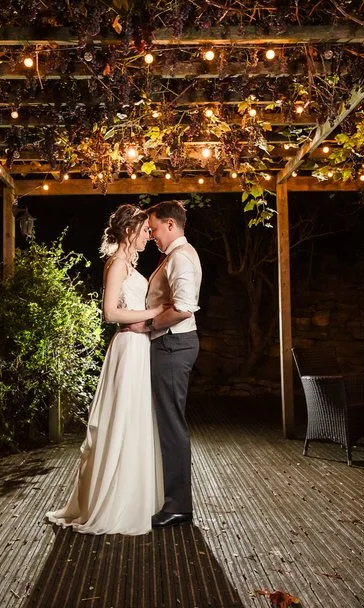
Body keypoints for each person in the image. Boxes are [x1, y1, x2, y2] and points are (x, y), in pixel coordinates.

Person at [46, 205, 165, 535]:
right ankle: (112, 502)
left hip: (141, 347)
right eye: (144, 230)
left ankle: (134, 496)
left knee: (136, 420)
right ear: (129, 231)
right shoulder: (115, 265)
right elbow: (110, 312)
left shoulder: (130, 264)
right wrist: (153, 311)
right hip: (127, 348)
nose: (148, 235)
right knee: (122, 418)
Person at [126, 200, 202, 529]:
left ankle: (178, 505)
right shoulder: (174, 256)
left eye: (155, 228)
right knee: (167, 423)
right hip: (171, 344)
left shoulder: (182, 257)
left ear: (170, 225)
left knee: (171, 425)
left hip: (173, 345)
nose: (152, 235)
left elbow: (184, 308)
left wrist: (149, 325)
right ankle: (171, 499)